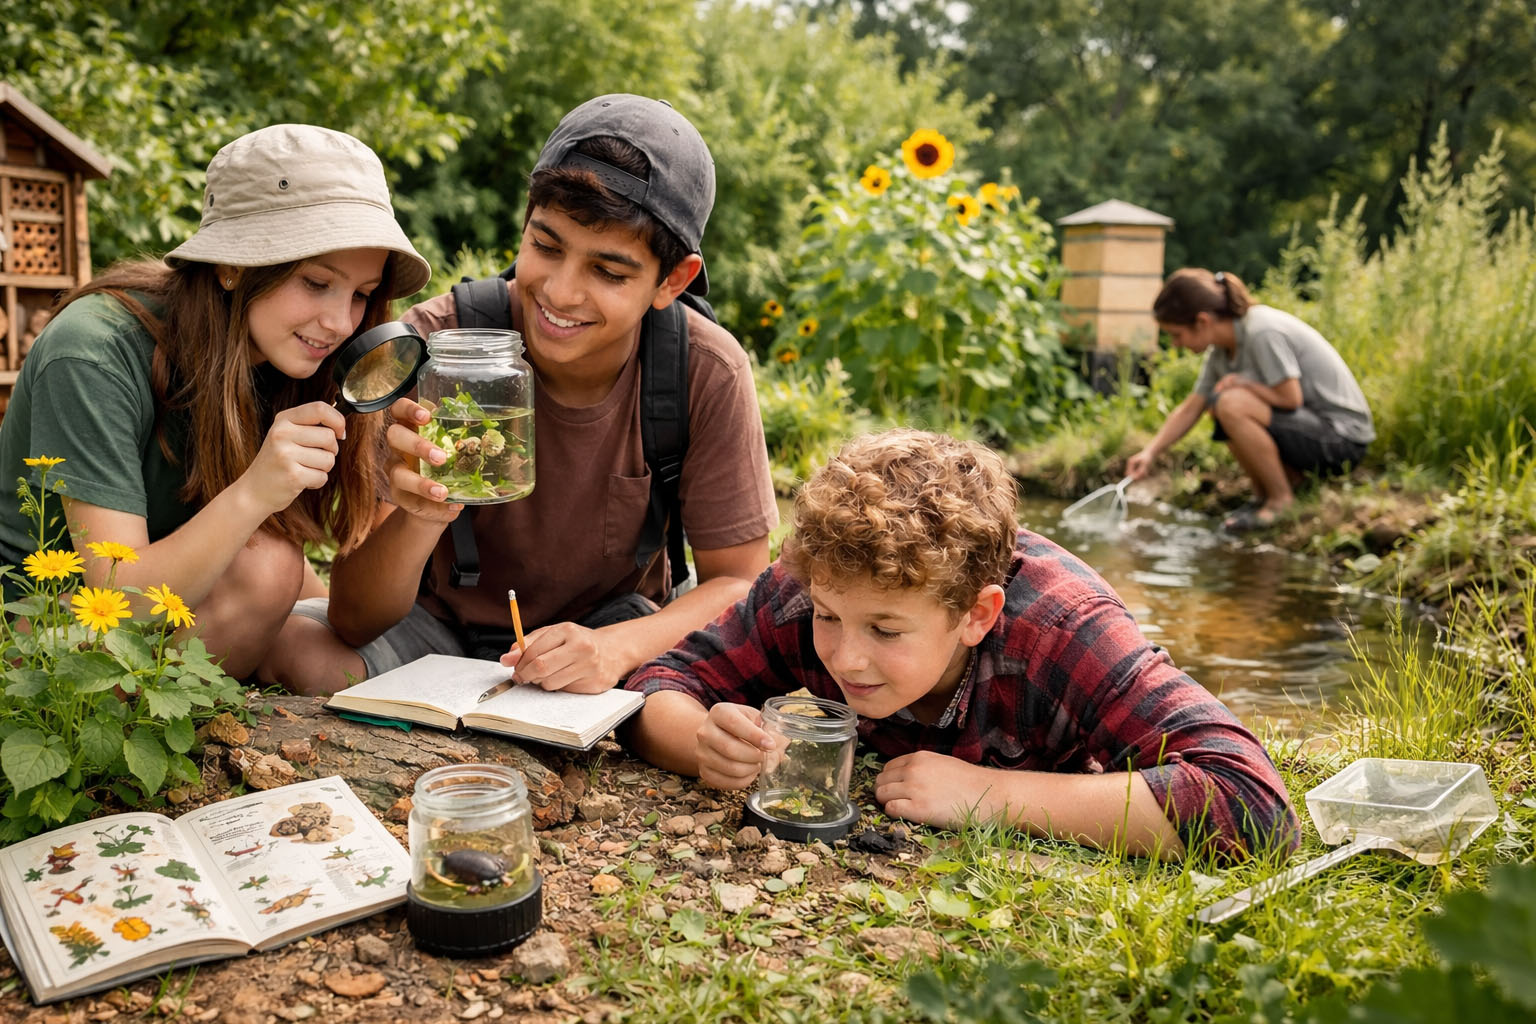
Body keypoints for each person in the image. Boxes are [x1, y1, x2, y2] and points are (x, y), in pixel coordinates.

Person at [282, 95, 778, 695]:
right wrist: (419, 516)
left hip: (614, 625)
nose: (561, 293)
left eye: (610, 273)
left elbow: (737, 584)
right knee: (301, 654)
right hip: (440, 625)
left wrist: (612, 649)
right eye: (546, 246)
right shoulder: (430, 348)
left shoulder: (705, 369)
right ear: (524, 224)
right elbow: (354, 616)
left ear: (672, 280)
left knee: (664, 703)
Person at [623, 430, 1299, 860]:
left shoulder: (1066, 632)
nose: (844, 656)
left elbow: (1254, 805)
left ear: (977, 615)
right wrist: (700, 740)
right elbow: (659, 683)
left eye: (886, 630)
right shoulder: (812, 590)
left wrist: (989, 796)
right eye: (829, 618)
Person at [0, 124, 432, 681]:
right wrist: (255, 492)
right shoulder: (93, 352)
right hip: (35, 638)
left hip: (174, 613)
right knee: (268, 571)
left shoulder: (280, 358)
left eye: (361, 294)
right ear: (233, 265)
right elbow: (121, 601)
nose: (340, 321)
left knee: (321, 658)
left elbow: (290, 568)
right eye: (316, 282)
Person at [1126, 268, 1374, 531]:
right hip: (1307, 432)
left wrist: (1244, 383)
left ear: (1202, 321)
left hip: (1342, 440)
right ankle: (1263, 496)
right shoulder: (1222, 351)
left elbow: (1290, 398)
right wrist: (1150, 452)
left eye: (1177, 334)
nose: (1174, 344)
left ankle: (1280, 500)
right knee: (1218, 402)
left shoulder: (1262, 332)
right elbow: (1192, 407)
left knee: (1231, 402)